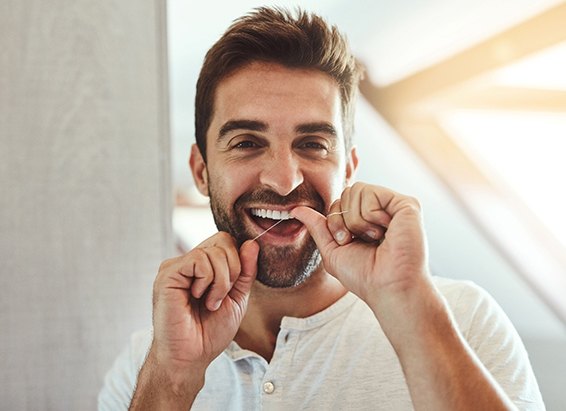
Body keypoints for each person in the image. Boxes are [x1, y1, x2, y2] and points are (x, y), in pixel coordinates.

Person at [99, 7, 544, 410]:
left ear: (348, 169)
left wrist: (409, 306)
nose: (284, 179)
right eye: (247, 143)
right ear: (200, 171)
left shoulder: (464, 321)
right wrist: (175, 379)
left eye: (312, 144)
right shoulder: (149, 365)